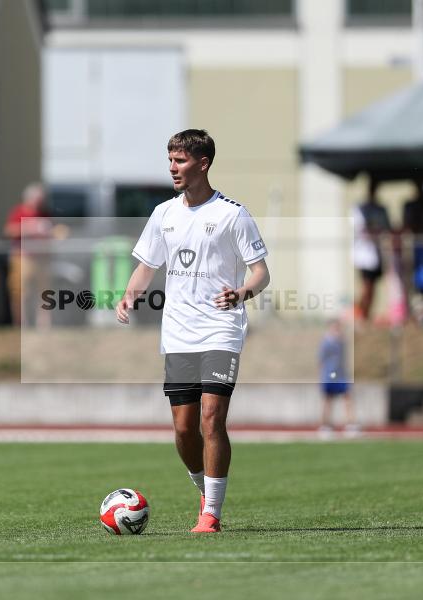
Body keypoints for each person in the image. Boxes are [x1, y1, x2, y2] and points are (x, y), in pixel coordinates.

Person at [116, 129, 270, 533]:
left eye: (180, 161)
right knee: (184, 429)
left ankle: (212, 514)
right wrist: (129, 296)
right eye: (170, 160)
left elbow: (261, 273)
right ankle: (204, 489)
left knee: (210, 417)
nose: (172, 168)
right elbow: (147, 265)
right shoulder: (164, 214)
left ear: (203, 164)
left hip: (221, 329)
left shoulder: (232, 215)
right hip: (179, 333)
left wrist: (242, 293)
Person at [5, 183, 54, 328]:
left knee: (43, 292)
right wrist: (30, 228)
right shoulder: (18, 212)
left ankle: (43, 323)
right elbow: (9, 231)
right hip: (23, 257)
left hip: (41, 258)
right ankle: (21, 323)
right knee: (21, 292)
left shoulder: (45, 213)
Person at [353, 178, 391, 321]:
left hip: (377, 255)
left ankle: (365, 315)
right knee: (366, 288)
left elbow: (386, 228)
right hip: (365, 256)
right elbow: (363, 230)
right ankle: (360, 314)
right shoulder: (359, 208)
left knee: (373, 288)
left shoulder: (381, 209)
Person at [319, 318, 355, 434]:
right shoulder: (326, 343)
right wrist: (325, 376)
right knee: (328, 400)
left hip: (340, 375)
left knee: (347, 397)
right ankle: (325, 425)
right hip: (330, 375)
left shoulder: (341, 342)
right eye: (335, 327)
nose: (337, 330)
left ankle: (350, 424)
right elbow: (321, 360)